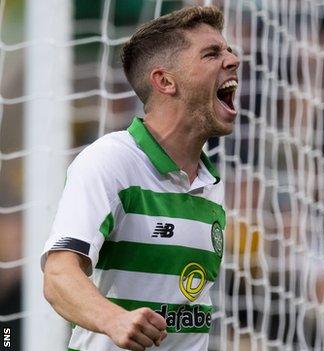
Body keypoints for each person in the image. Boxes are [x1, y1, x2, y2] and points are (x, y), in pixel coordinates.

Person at [40, 6, 240, 351]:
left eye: (229, 50)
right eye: (212, 53)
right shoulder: (112, 160)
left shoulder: (209, 184)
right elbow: (58, 276)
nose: (233, 60)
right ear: (165, 81)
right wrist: (114, 318)